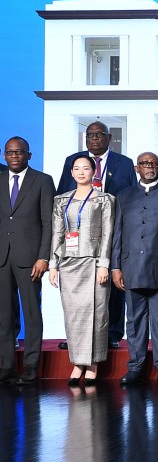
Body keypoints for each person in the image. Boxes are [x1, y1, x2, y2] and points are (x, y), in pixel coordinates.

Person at [56, 121, 136, 349]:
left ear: (109, 137)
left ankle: (112, 334)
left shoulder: (125, 163)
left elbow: (130, 198)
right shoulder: (74, 161)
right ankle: (76, 335)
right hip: (79, 236)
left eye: (99, 134)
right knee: (78, 288)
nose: (94, 138)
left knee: (113, 283)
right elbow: (62, 196)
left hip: (113, 233)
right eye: (90, 134)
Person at [112, 153, 158, 385]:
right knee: (133, 321)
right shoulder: (124, 197)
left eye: (153, 164)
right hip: (131, 267)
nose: (149, 167)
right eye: (144, 163)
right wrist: (115, 266)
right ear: (136, 168)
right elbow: (117, 235)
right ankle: (135, 367)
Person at [48, 156, 115, 386]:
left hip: (94, 263)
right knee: (73, 315)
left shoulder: (105, 199)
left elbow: (108, 234)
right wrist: (53, 264)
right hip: (68, 264)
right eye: (76, 168)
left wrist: (104, 263)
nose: (80, 172)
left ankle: (93, 363)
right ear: (71, 172)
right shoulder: (61, 200)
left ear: (94, 171)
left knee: (97, 314)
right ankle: (77, 362)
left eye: (85, 168)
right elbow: (57, 234)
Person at [0, 137, 55, 386]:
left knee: (32, 314)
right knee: (3, 315)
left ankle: (31, 367)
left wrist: (44, 257)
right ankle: (7, 366)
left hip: (30, 259)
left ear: (28, 155)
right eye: (10, 152)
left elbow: (48, 223)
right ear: (4, 155)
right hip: (2, 258)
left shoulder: (42, 180)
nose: (14, 156)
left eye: (19, 152)